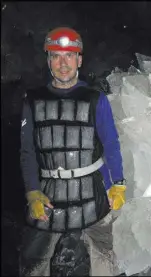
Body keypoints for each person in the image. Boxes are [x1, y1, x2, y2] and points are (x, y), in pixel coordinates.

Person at [19, 27, 126, 276]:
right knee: (35, 264)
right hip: (49, 197)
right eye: (56, 56)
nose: (63, 63)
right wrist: (32, 192)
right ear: (48, 60)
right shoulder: (32, 101)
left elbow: (110, 144)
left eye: (69, 55)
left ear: (79, 59)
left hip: (93, 196)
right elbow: (27, 152)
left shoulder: (95, 99)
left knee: (105, 260)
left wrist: (117, 184)